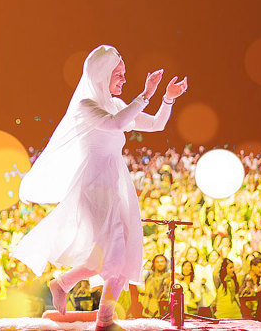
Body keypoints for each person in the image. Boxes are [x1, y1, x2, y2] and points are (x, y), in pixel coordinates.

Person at [10, 45, 188, 331]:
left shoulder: (118, 104)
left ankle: (63, 283)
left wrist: (167, 98)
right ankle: (104, 319)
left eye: (124, 74)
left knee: (109, 255)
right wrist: (146, 94)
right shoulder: (86, 106)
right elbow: (116, 124)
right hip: (94, 184)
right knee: (116, 253)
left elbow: (155, 124)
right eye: (118, 74)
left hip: (116, 182)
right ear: (101, 74)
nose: (123, 80)